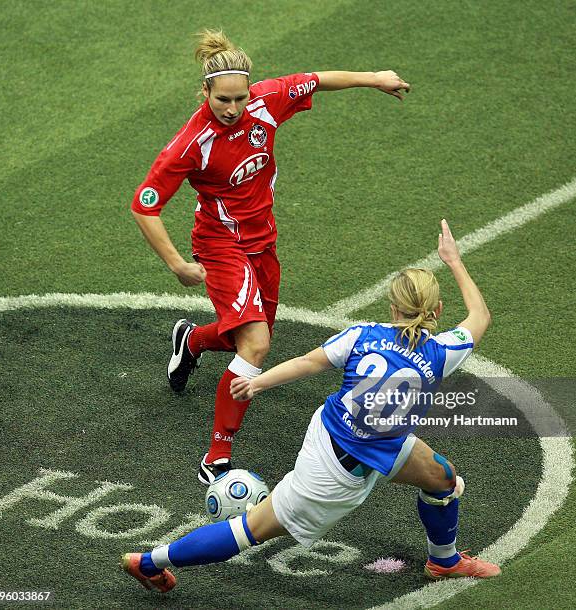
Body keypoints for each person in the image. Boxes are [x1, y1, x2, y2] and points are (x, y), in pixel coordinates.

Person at [121, 220, 500, 593]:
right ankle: (151, 562)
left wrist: (258, 381)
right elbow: (480, 315)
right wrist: (453, 260)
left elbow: (308, 362)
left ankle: (444, 561)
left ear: (393, 307)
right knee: (251, 529)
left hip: (350, 435)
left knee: (442, 478)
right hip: (334, 471)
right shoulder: (442, 352)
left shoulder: (362, 335)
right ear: (437, 309)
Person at [130, 29, 411, 485]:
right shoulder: (190, 142)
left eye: (240, 98)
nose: (233, 108)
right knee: (256, 346)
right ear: (204, 91)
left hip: (263, 242)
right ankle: (216, 456)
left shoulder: (268, 100)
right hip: (220, 245)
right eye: (223, 99)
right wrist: (178, 265)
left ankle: (195, 341)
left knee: (247, 340)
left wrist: (374, 77)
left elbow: (317, 79)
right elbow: (144, 206)